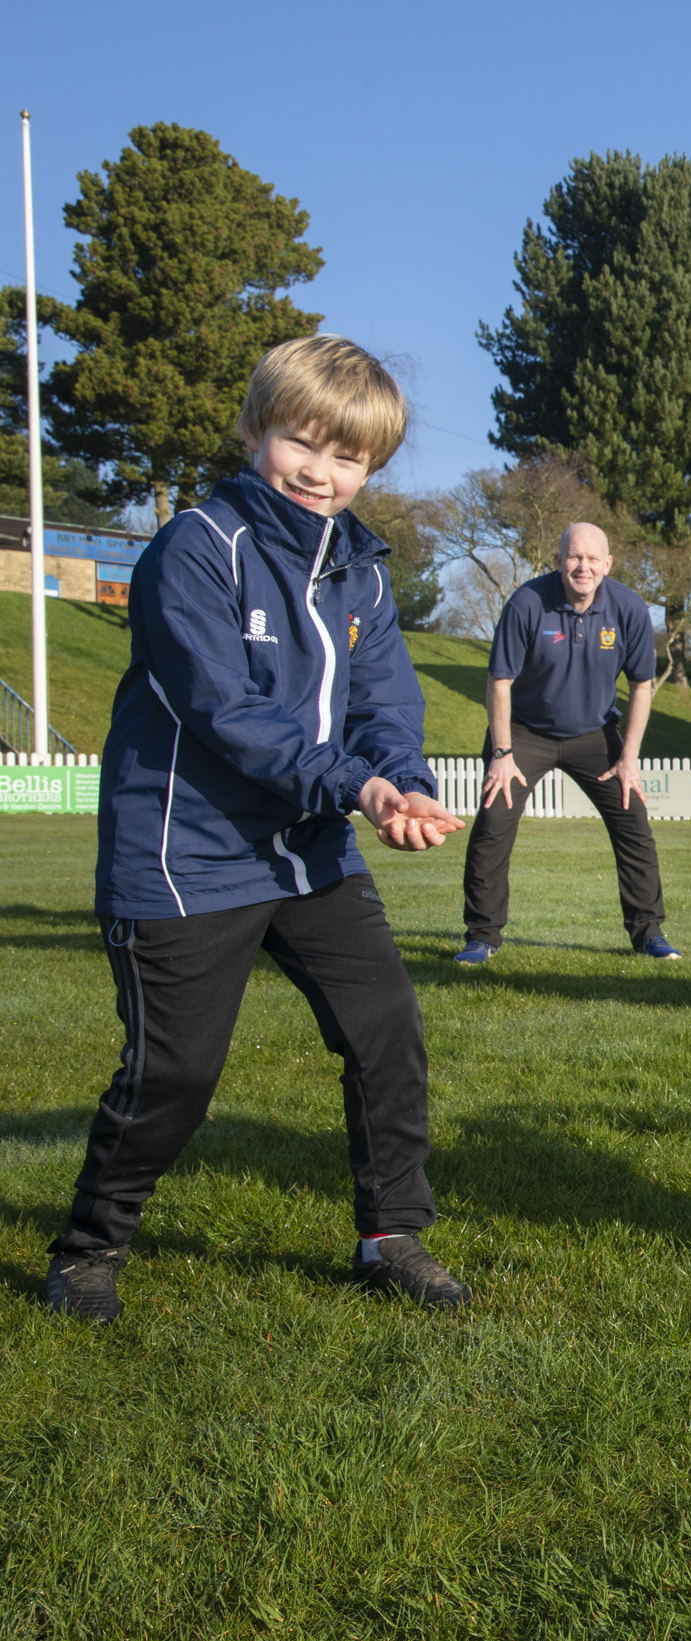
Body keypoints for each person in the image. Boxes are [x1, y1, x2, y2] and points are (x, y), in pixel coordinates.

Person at [47, 335, 470, 1323]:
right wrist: (358, 791)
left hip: (308, 850)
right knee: (176, 1073)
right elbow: (227, 716)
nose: (323, 473)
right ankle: (91, 1244)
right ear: (252, 431)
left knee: (386, 1033)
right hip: (185, 854)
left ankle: (388, 1234)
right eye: (302, 443)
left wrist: (400, 782)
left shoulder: (362, 570)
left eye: (350, 457)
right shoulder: (194, 549)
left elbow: (384, 705)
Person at [455, 523, 679, 963]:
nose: (584, 567)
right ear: (558, 561)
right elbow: (499, 682)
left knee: (633, 822)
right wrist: (501, 754)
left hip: (594, 734)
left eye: (593, 559)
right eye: (575, 557)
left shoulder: (629, 608)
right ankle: (482, 937)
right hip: (523, 733)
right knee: (493, 826)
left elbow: (641, 685)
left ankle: (648, 933)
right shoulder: (526, 603)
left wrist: (629, 757)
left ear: (607, 565)